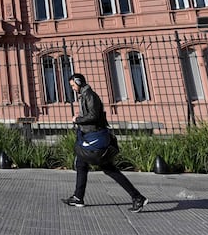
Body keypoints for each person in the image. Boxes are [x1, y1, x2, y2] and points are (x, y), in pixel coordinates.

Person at [62, 73, 148, 212]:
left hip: (94, 139)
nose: (72, 88)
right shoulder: (85, 95)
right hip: (89, 136)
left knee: (109, 169)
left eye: (73, 85)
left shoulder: (89, 95)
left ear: (78, 82)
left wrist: (77, 119)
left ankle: (137, 197)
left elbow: (94, 116)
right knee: (81, 164)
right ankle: (78, 197)